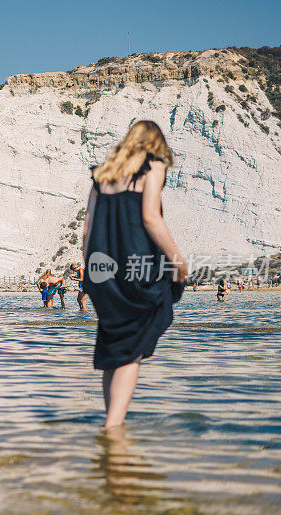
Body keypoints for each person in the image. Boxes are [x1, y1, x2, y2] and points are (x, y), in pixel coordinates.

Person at [82, 120, 187, 429]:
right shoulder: (152, 168)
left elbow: (87, 231)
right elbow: (151, 218)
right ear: (156, 144)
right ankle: (114, 427)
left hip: (103, 273)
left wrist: (91, 277)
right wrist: (179, 264)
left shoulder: (102, 175)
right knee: (131, 350)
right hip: (137, 270)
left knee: (115, 345)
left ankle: (111, 422)